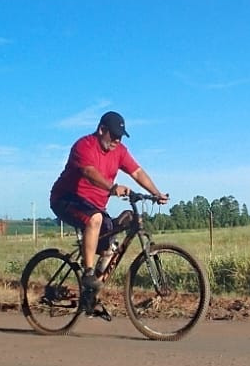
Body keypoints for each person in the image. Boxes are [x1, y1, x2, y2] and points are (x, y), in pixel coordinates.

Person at [50, 110, 168, 312]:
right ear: (101, 129)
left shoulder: (119, 151)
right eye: (113, 136)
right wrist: (112, 188)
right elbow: (89, 172)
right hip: (66, 199)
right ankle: (87, 274)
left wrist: (156, 193)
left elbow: (137, 172)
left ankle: (90, 297)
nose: (116, 141)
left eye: (120, 137)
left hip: (95, 205)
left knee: (111, 247)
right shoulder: (84, 145)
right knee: (94, 219)